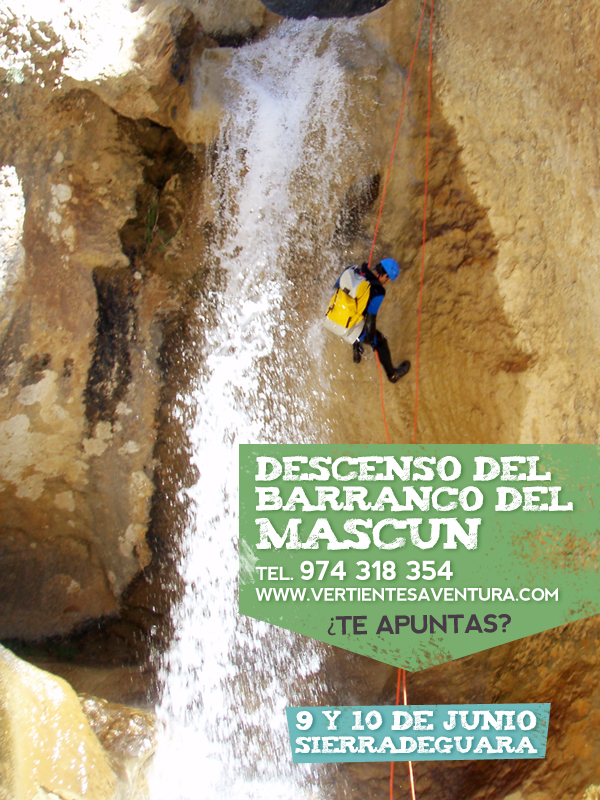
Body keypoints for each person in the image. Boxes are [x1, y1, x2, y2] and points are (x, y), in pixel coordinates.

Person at [324, 258, 410, 383]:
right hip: (346, 329)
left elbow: (335, 290)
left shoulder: (351, 270)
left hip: (331, 318)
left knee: (358, 311)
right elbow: (370, 325)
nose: (385, 283)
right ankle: (393, 375)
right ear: (385, 275)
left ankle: (357, 349)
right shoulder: (377, 291)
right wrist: (375, 343)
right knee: (381, 341)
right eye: (387, 280)